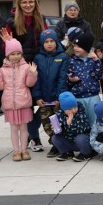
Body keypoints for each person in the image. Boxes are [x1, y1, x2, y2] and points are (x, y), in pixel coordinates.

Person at [0, 0, 48, 152]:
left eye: (31, 2)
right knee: (26, 105)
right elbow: (8, 49)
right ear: (19, 4)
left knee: (42, 103)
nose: (28, 5)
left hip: (39, 67)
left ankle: (31, 133)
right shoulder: (12, 22)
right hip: (20, 69)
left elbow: (49, 40)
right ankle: (33, 138)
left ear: (35, 3)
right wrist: (8, 42)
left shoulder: (41, 20)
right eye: (24, 2)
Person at [0, 39, 38, 161]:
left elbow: (29, 83)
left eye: (18, 53)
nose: (16, 56)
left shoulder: (26, 67)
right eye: (12, 54)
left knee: (24, 128)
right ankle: (16, 151)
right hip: (10, 103)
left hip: (23, 102)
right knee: (13, 128)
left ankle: (24, 150)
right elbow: (0, 86)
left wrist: (33, 73)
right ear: (7, 55)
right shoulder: (2, 69)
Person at [32, 29, 69, 158]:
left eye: (52, 41)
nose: (49, 44)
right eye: (46, 42)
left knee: (59, 123)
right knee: (47, 124)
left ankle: (59, 145)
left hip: (57, 99)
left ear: (56, 42)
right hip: (44, 100)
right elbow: (35, 79)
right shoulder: (38, 58)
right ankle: (54, 142)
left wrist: (60, 96)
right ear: (42, 43)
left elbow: (62, 78)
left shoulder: (62, 57)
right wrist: (37, 97)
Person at [67, 31, 102, 126]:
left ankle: (95, 139)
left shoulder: (93, 60)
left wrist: (97, 61)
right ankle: (83, 140)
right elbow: (68, 79)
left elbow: (99, 76)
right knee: (81, 122)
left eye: (78, 46)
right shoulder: (72, 61)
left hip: (93, 96)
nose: (75, 48)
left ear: (86, 47)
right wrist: (71, 80)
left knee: (95, 122)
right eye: (74, 46)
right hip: (78, 97)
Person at [52, 92, 92, 162]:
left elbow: (84, 129)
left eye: (75, 107)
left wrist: (71, 124)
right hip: (69, 140)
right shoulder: (60, 115)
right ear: (64, 109)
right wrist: (57, 129)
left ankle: (85, 153)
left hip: (80, 142)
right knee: (55, 138)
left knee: (81, 138)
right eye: (70, 109)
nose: (73, 110)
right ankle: (67, 153)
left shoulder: (80, 113)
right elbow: (59, 133)